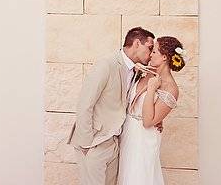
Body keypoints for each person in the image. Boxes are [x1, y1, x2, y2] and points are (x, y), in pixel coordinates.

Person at [67, 27, 155, 185]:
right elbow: (84, 104)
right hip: (95, 143)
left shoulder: (134, 70)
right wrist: (88, 144)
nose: (151, 54)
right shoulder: (106, 65)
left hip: (115, 144)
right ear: (136, 43)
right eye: (149, 48)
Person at [117, 35, 187, 185]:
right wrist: (134, 69)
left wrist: (151, 89)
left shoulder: (170, 88)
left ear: (164, 57)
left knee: (138, 177)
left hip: (143, 138)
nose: (150, 54)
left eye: (153, 51)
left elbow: (148, 122)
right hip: (128, 131)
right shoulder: (145, 71)